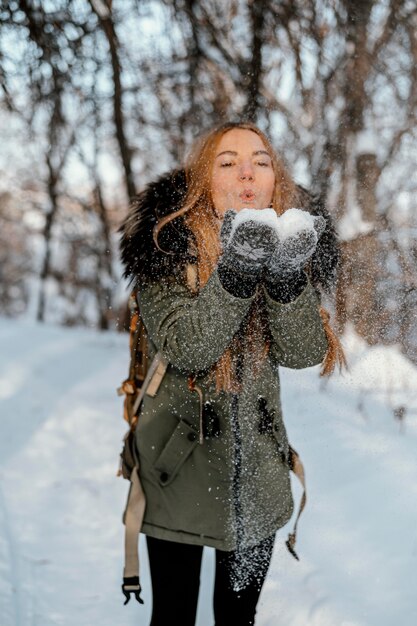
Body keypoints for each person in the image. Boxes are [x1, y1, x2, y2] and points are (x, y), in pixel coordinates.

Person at [119, 121, 343, 626]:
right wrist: (238, 270)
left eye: (262, 161)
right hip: (177, 470)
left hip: (257, 480)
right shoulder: (164, 247)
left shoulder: (290, 244)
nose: (247, 171)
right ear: (202, 179)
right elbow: (189, 347)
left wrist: (285, 279)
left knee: (238, 619)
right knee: (174, 615)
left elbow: (304, 351)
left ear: (274, 180)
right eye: (228, 161)